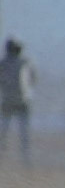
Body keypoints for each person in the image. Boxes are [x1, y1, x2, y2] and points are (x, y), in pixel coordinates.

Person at [0, 38, 36, 166]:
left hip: (9, 99)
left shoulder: (3, 63)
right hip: (22, 99)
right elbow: (33, 79)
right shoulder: (25, 62)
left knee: (5, 129)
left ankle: (6, 156)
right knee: (23, 131)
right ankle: (25, 157)